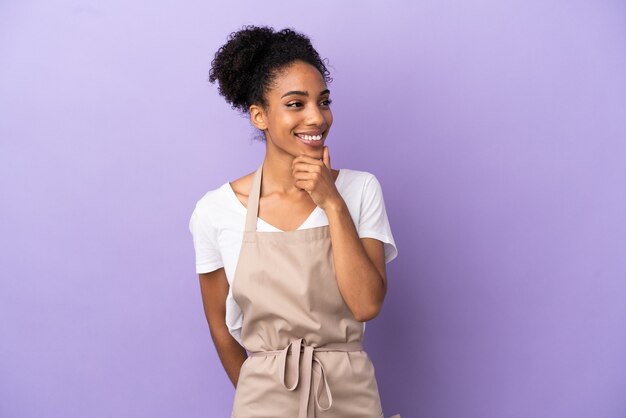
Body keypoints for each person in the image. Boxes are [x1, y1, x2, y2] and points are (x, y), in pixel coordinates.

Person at [189, 25, 399, 418]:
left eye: (324, 101)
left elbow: (367, 303)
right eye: (296, 104)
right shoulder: (216, 211)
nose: (317, 118)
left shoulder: (359, 190)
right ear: (259, 116)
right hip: (265, 401)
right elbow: (220, 327)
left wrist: (331, 203)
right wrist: (259, 395)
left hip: (350, 399)